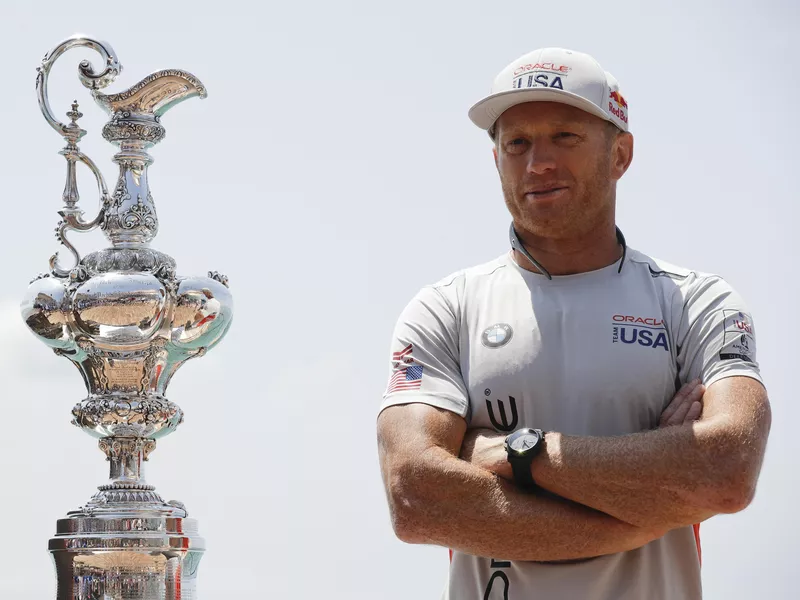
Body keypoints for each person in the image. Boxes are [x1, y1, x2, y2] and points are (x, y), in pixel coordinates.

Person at [376, 47, 771, 599]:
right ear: (496, 160)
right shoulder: (446, 307)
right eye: (517, 143)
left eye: (565, 137)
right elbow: (416, 497)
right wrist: (649, 508)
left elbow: (727, 469)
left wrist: (515, 452)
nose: (538, 164)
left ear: (620, 154)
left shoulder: (697, 301)